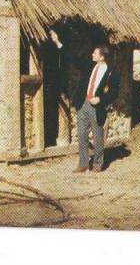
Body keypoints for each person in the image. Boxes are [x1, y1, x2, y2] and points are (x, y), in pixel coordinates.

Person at [50, 29, 118, 174]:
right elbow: (72, 58)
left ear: (101, 57)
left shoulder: (111, 72)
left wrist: (101, 99)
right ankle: (83, 164)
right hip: (84, 103)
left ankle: (98, 164)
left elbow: (113, 93)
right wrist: (58, 43)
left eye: (95, 53)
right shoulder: (89, 65)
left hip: (97, 106)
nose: (92, 54)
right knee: (81, 134)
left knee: (98, 135)